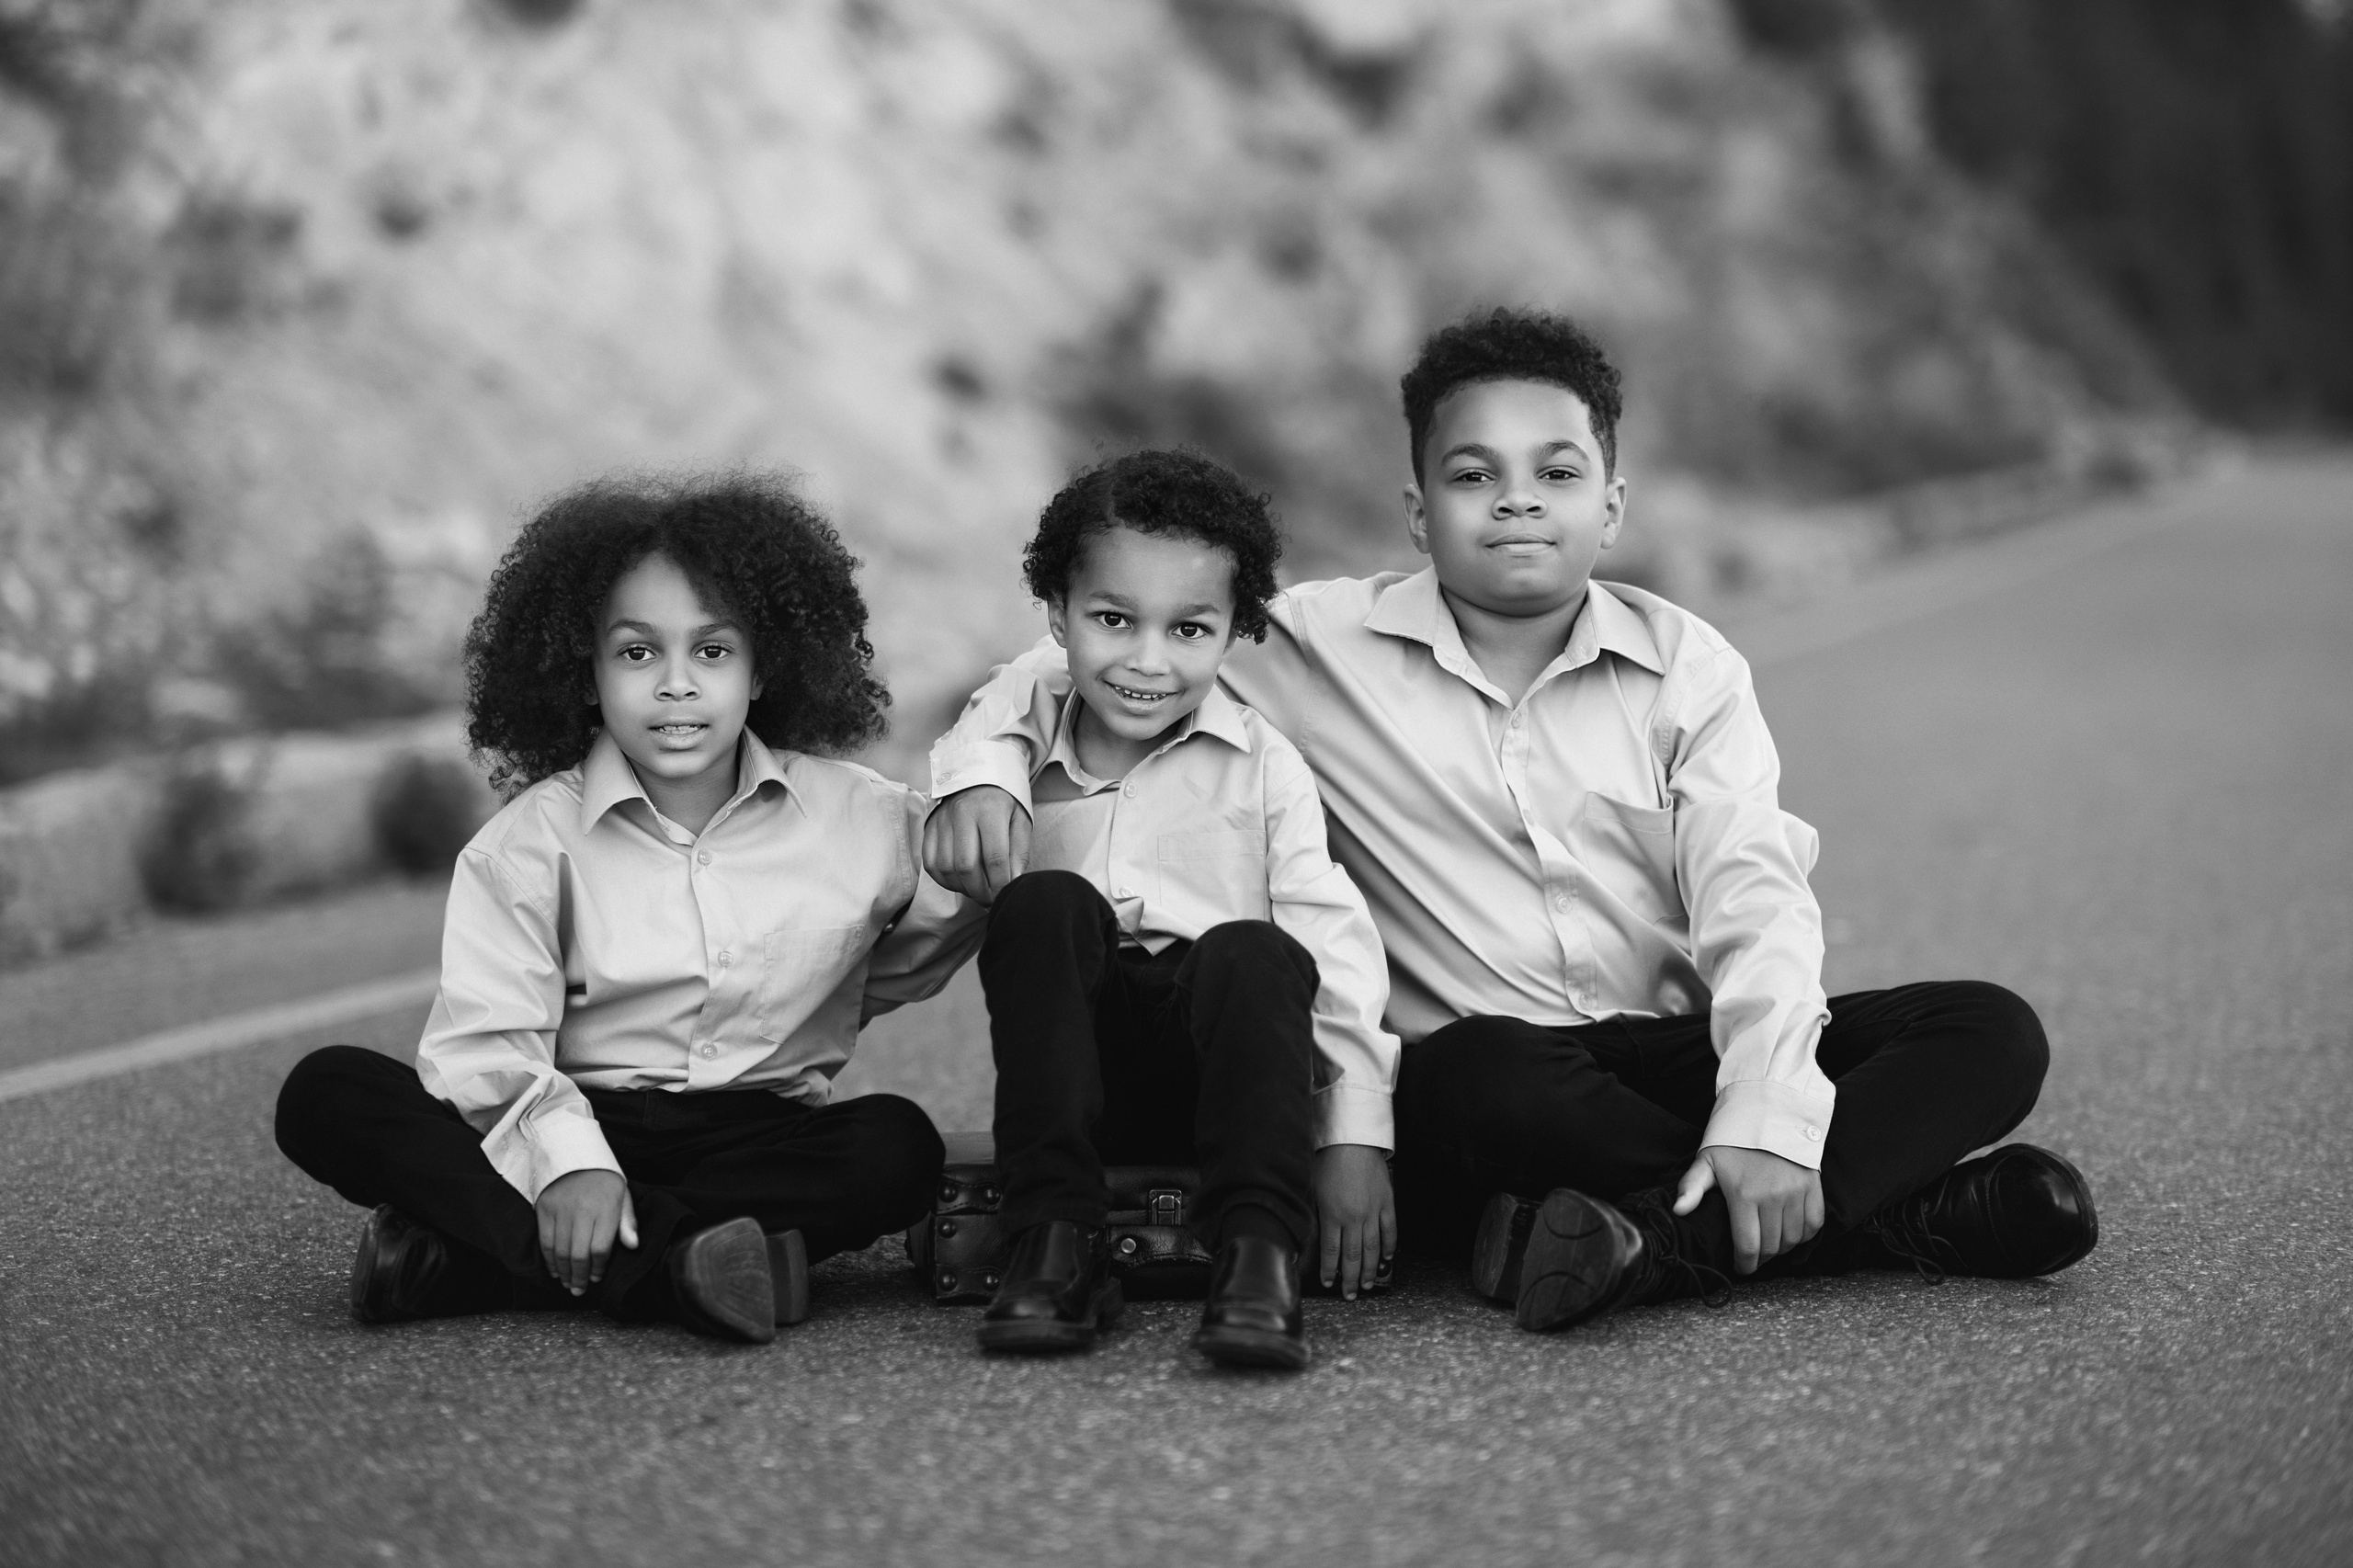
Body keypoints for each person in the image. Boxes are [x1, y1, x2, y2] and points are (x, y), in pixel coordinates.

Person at [926, 308, 2097, 1335]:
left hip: (1659, 1057)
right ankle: (1896, 1218)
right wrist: (984, 768)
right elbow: (1092, 652)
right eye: (1474, 475)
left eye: (1558, 470)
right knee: (1478, 1071)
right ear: (1417, 508)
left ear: (1612, 501)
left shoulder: (1688, 664)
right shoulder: (1314, 644)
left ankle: (1659, 1239)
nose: (1519, 499)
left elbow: (1754, 892)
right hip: (1494, 1085)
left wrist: (1769, 1112)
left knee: (1987, 1029)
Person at [276, 474, 981, 1344]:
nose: (676, 686)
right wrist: (572, 1166)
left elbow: (957, 895)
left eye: (713, 652)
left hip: (756, 1140)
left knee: (897, 1148)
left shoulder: (862, 817)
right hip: (575, 1111)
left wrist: (1012, 789)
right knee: (328, 1091)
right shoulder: (527, 844)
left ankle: (484, 1261)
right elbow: (489, 1046)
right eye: (638, 653)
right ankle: (679, 1265)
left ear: (764, 669)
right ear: (589, 669)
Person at [952, 449, 1397, 1370]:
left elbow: (1332, 940)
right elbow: (922, 917)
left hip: (1228, 1087)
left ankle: (1258, 1258)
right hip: (1077, 1094)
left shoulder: (1263, 762)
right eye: (1113, 620)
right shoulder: (1011, 757)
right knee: (1042, 904)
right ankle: (1055, 1247)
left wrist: (1354, 1131)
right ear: (1058, 618)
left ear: (1234, 630)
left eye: (1190, 629)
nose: (1148, 660)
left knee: (1254, 950)